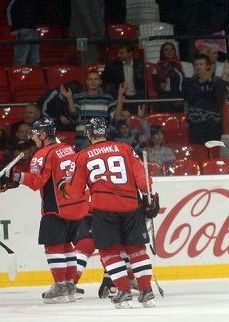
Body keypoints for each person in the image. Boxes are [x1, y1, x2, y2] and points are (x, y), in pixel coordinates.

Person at [58, 117, 160, 309]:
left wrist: (63, 186)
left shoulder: (82, 156)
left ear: (88, 134)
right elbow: (142, 179)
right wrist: (149, 197)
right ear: (106, 132)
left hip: (103, 209)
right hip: (130, 206)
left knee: (109, 251)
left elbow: (74, 191)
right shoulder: (125, 149)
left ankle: (123, 292)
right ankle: (147, 293)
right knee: (137, 249)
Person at [0, 116, 88, 303]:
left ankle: (61, 284)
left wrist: (16, 176)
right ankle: (70, 283)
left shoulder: (42, 154)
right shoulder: (68, 148)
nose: (34, 138)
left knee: (53, 246)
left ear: (45, 134)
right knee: (66, 245)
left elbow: (37, 182)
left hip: (56, 208)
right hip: (76, 206)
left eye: (36, 134)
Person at [67, 70, 126, 150]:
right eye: (90, 79)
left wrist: (120, 95)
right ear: (86, 82)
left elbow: (117, 118)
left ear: (100, 82)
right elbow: (74, 118)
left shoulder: (108, 98)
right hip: (82, 140)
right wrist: (69, 98)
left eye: (96, 79)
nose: (93, 82)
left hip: (103, 140)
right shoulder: (78, 98)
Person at [182, 54, 229, 144]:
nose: (198, 67)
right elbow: (188, 97)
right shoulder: (187, 81)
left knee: (215, 153)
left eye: (201, 64)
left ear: (208, 66)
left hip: (214, 124)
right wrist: (200, 81)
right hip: (196, 124)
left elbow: (221, 95)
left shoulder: (216, 81)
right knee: (198, 154)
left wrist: (225, 74)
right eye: (196, 64)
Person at [101, 44, 146, 114]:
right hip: (120, 99)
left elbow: (144, 84)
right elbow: (104, 82)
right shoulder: (112, 65)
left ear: (130, 53)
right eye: (118, 52)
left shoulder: (140, 64)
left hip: (137, 98)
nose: (118, 55)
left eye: (122, 53)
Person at [6, 0, 45, 66]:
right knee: (20, 60)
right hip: (23, 29)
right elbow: (8, 10)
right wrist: (13, 28)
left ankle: (33, 75)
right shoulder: (16, 2)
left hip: (33, 29)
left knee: (35, 59)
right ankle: (16, 75)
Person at [69, 0, 105, 65]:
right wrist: (91, 26)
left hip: (88, 31)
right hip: (83, 31)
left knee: (90, 56)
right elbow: (83, 9)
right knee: (85, 58)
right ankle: (86, 74)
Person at [153, 42, 185, 113]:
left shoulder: (178, 65)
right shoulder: (158, 67)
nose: (170, 52)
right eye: (166, 50)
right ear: (162, 52)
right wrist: (160, 86)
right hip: (165, 102)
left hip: (179, 100)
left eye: (172, 49)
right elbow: (155, 86)